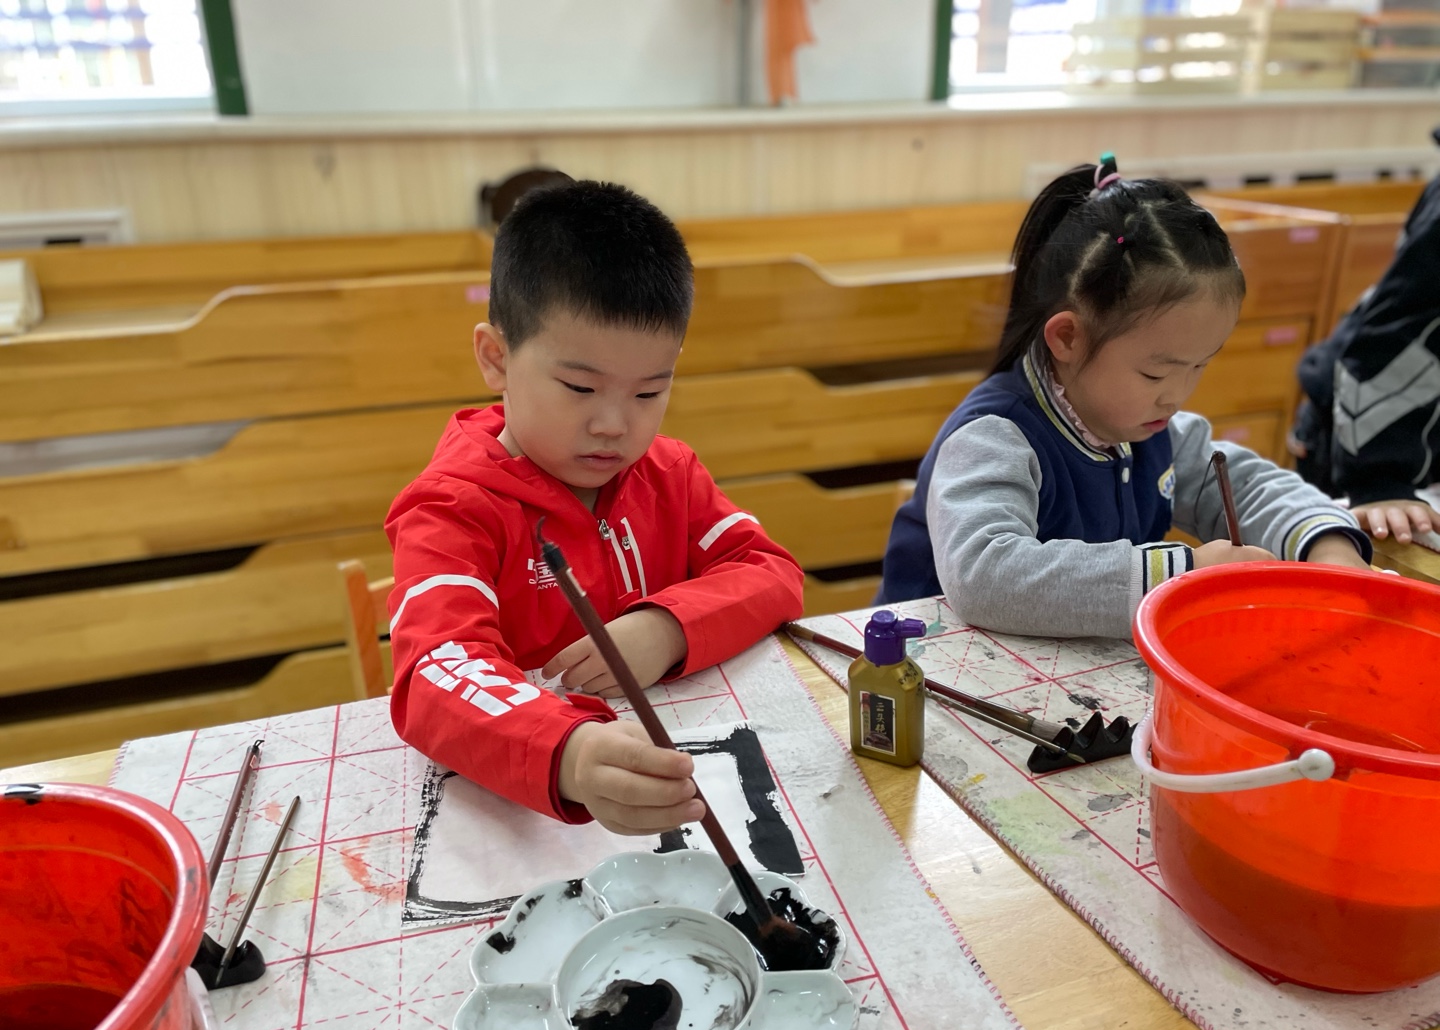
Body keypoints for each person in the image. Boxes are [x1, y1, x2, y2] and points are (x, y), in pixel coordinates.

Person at [386, 180, 804, 834]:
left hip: (681, 779)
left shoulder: (668, 473)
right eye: (580, 388)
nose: (614, 425)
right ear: (496, 358)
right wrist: (570, 754)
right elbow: (434, 674)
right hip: (532, 817)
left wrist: (665, 629)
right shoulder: (451, 509)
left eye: (649, 393)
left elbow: (772, 573)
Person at [878, 158, 1372, 639]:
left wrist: (1327, 544)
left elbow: (1247, 486)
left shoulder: (1150, 430)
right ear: (1068, 338)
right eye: (1155, 373)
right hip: (924, 668)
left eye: (1199, 366)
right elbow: (985, 576)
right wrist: (1182, 573)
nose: (1177, 397)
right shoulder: (994, 438)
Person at [1290, 168, 1440, 545]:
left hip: (1416, 438)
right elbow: (1397, 333)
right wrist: (1378, 478)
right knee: (1338, 552)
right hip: (1362, 437)